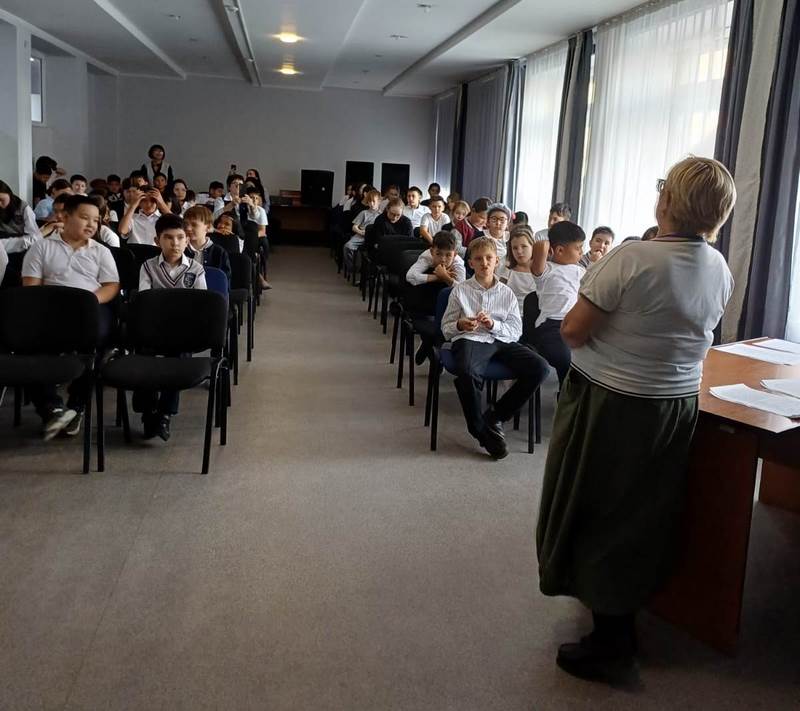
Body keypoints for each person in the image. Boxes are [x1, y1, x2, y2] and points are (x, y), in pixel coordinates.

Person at [536, 157, 737, 681]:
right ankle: (625, 613)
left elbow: (573, 331)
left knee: (597, 507)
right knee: (645, 510)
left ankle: (611, 641)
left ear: (667, 201)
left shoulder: (631, 258)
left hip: (614, 402)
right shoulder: (719, 266)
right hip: (676, 405)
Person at [441, 236, 550, 459]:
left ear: (496, 261)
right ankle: (478, 428)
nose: (484, 263)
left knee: (540, 368)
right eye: (478, 259)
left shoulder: (506, 293)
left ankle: (496, 415)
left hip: (501, 339)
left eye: (489, 258)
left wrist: (493, 324)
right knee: (467, 371)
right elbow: (446, 328)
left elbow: (515, 331)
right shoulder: (460, 290)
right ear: (470, 263)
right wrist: (461, 324)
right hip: (471, 338)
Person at [21, 195, 120, 439]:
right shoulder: (41, 247)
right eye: (85, 218)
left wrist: (89, 302)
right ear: (65, 217)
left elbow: (111, 286)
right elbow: (31, 287)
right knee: (26, 343)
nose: (91, 224)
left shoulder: (101, 251)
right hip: (50, 309)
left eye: (95, 220)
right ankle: (52, 408)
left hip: (90, 308)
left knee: (96, 343)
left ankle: (76, 407)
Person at [135, 213, 206, 441]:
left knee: (177, 360)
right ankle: (148, 412)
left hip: (182, 330)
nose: (175, 243)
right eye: (168, 238)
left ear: (187, 240)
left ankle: (165, 413)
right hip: (154, 328)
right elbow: (145, 300)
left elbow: (200, 304)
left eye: (180, 237)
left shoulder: (196, 269)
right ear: (157, 241)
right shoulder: (148, 267)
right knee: (144, 358)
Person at [529, 221, 585, 386]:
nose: (582, 252)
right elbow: (540, 246)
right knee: (565, 359)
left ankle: (573, 394)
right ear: (559, 250)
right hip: (551, 327)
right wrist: (550, 244)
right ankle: (565, 393)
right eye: (578, 248)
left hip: (575, 323)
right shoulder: (545, 269)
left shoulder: (580, 271)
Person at [183, 205, 231, 284]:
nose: (188, 228)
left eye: (194, 225)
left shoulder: (219, 252)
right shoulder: (180, 250)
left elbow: (223, 283)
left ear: (208, 227)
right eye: (185, 224)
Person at [497, 226, 537, 313]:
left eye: (524, 246)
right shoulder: (507, 271)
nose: (519, 251)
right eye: (515, 248)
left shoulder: (541, 271)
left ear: (532, 246)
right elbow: (499, 296)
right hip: (511, 314)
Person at [343, 189, 381, 273]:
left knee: (374, 251)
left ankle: (370, 270)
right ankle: (352, 268)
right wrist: (360, 232)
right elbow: (354, 227)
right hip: (361, 235)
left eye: (374, 201)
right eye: (370, 201)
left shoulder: (381, 215)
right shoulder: (364, 213)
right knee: (347, 246)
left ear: (379, 201)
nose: (371, 203)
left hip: (373, 238)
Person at [0, 179, 42, 254]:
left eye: (1, 199)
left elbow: (33, 235)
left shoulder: (23, 208)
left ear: (9, 194)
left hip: (23, 245)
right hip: (3, 246)